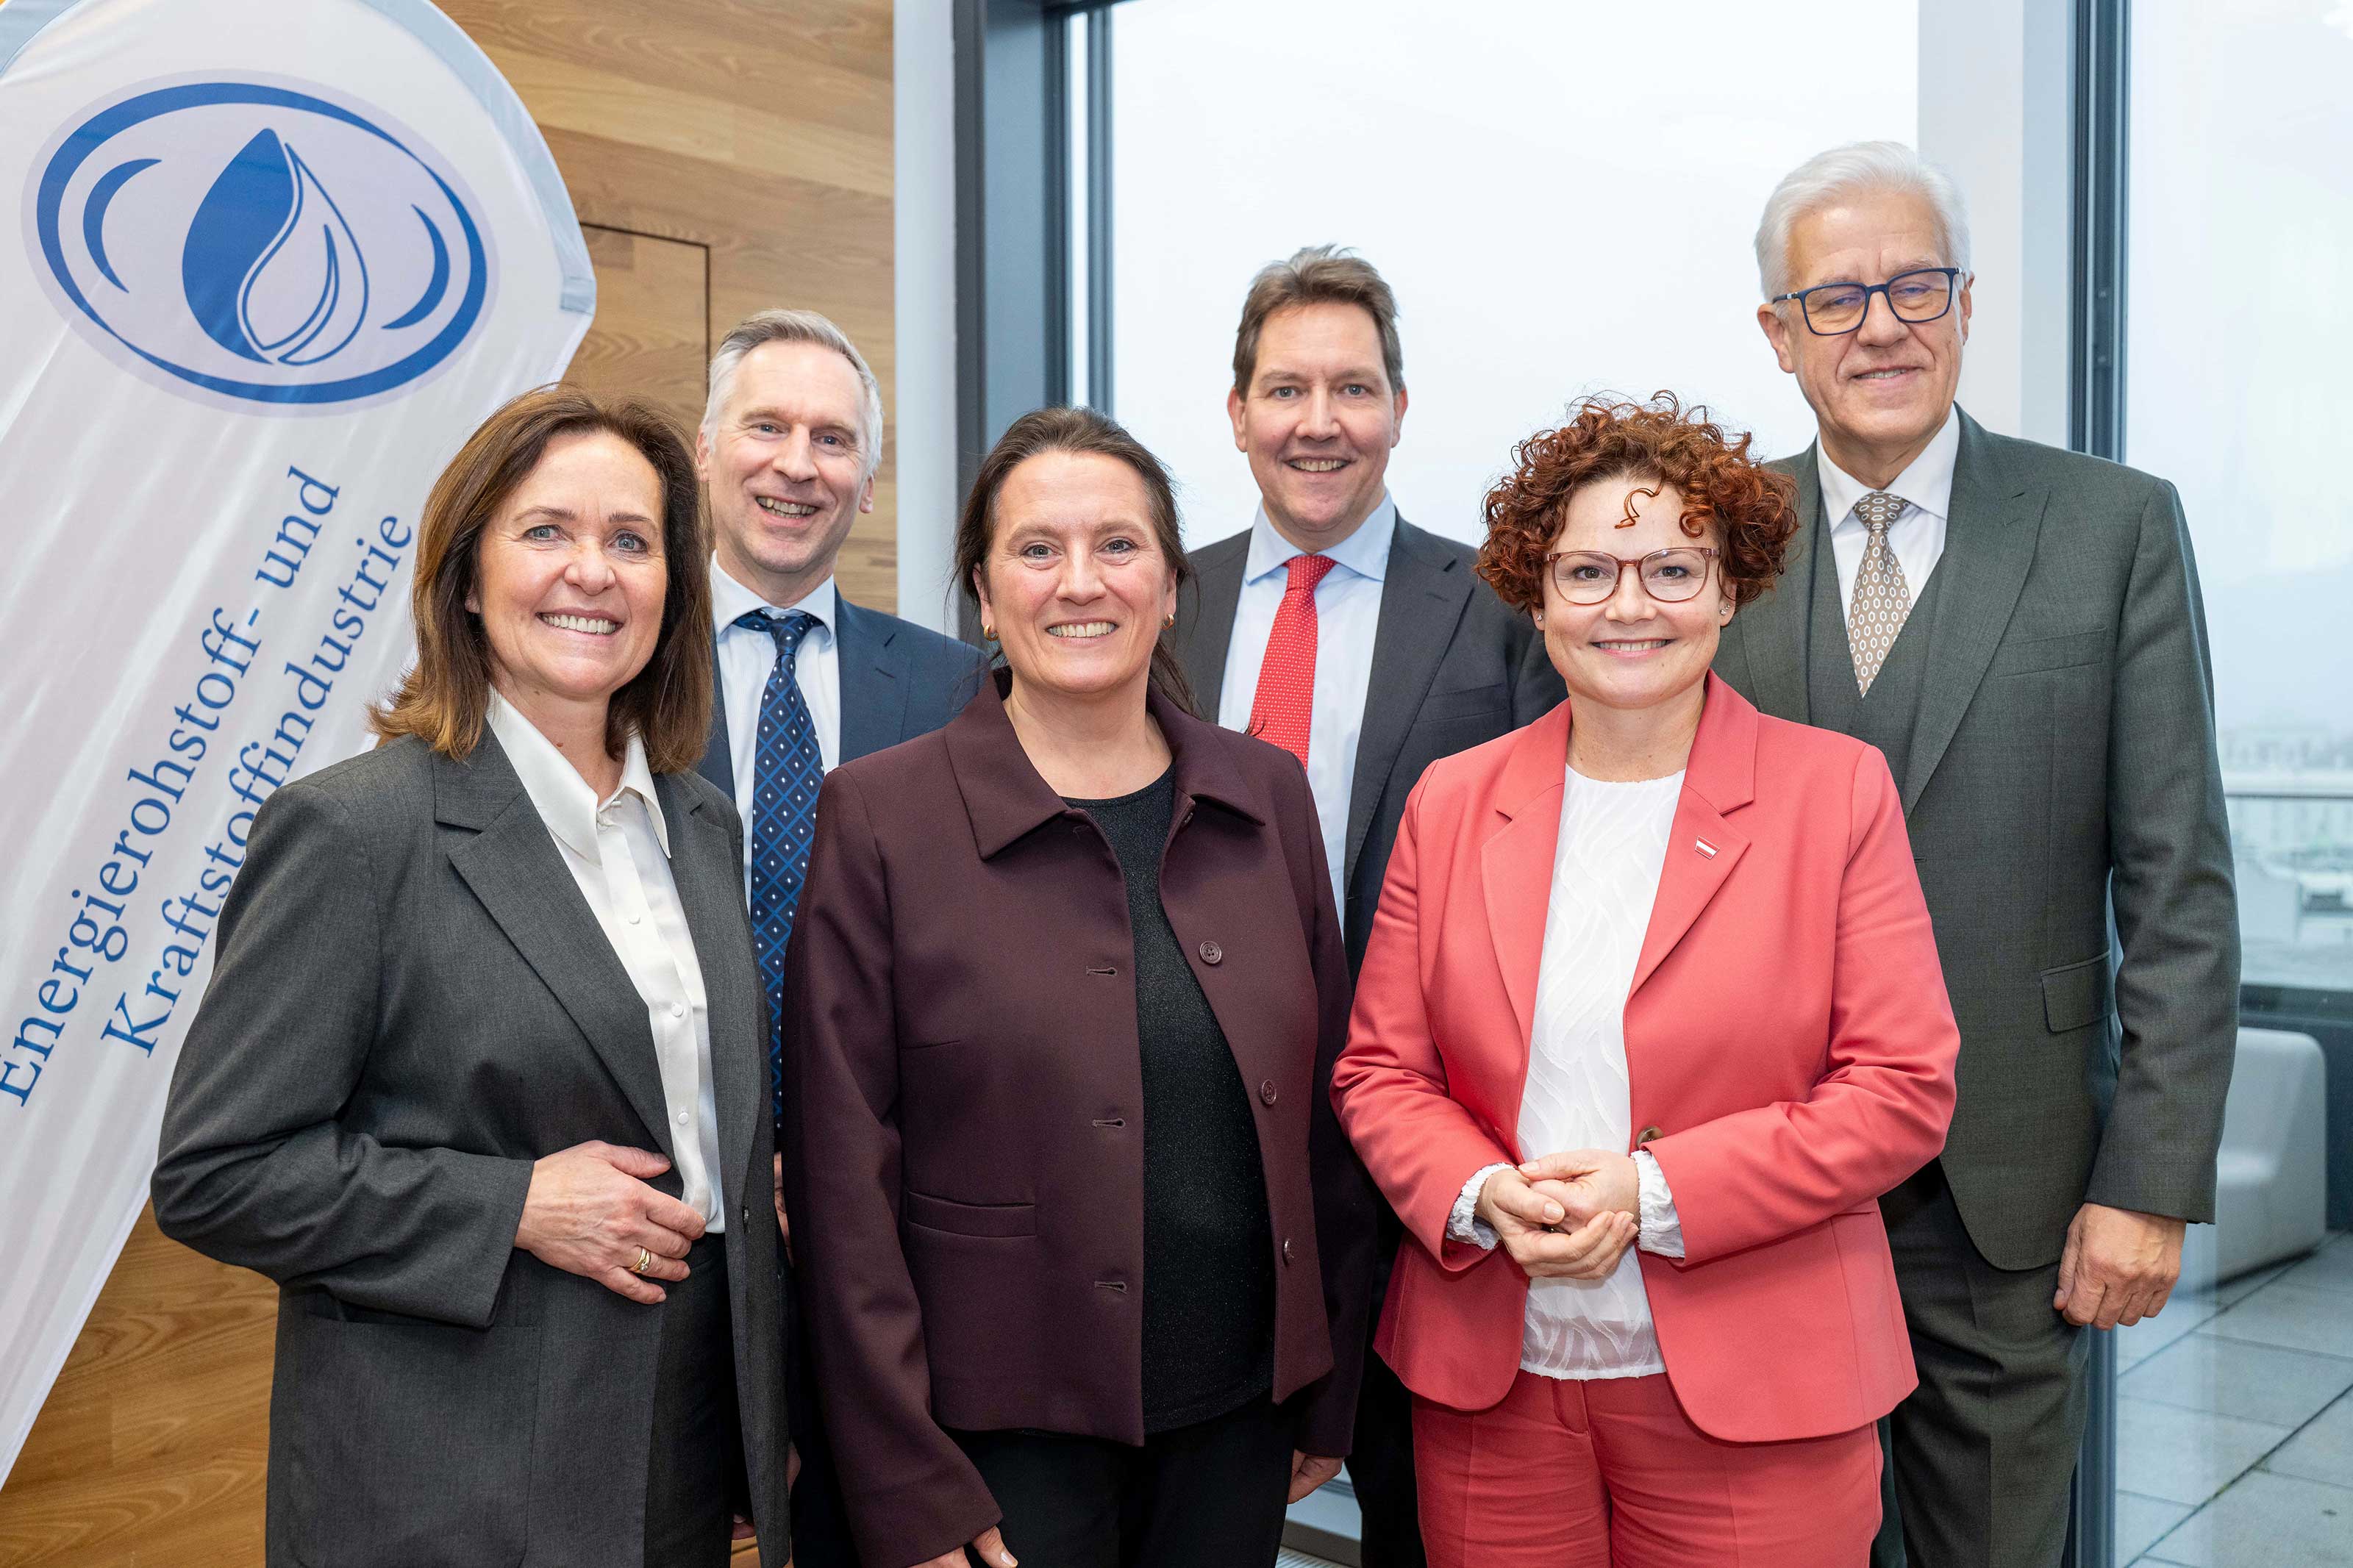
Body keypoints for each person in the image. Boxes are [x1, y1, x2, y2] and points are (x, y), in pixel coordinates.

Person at [151, 387, 788, 1567]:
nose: (590, 572)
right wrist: (515, 1208)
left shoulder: (700, 824)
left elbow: (715, 1141)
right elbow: (217, 1173)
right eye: (546, 531)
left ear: (674, 590)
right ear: (466, 574)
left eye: (631, 541)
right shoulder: (357, 831)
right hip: (451, 1483)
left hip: (675, 1462)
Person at [1332, 394, 1961, 1567]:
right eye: (1587, 571)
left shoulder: (1836, 794)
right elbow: (1380, 1069)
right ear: (1535, 590)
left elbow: (1901, 1089)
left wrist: (1652, 1191)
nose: (1629, 605)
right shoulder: (1453, 801)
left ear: (1732, 587)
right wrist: (1478, 1192)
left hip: (1762, 1391)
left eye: (1673, 567)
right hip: (1493, 1394)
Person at [1728, 143, 2239, 1568]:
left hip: (2012, 1183)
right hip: (1757, 1177)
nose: (1880, 324)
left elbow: (2178, 881)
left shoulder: (2109, 525)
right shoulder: (1714, 540)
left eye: (1913, 285)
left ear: (1962, 303)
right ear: (1777, 334)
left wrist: (2147, 1179)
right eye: (1835, 298)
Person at [784, 406, 1377, 1568]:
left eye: (1118, 545)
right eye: (1037, 549)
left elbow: (1328, 1120)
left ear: (1169, 584)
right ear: (984, 593)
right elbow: (842, 1180)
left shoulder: (1269, 794)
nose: (1080, 583)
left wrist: (1329, 1381)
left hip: (1238, 1423)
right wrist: (905, 1480)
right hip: (992, 1447)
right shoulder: (881, 815)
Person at [1167, 245, 1563, 1565]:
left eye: (1354, 387)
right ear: (1236, 413)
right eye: (1286, 388)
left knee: (1422, 1506)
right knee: (1202, 1494)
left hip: (1428, 1149)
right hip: (1198, 1134)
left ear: (1400, 407)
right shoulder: (1159, 598)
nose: (1319, 422)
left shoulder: (1504, 610)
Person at [690, 307, 985, 1564]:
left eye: (833, 439)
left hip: (882, 1229)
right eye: (767, 426)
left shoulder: (957, 686)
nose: (796, 464)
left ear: (867, 485)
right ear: (704, 452)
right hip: (667, 1219)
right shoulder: (603, 666)